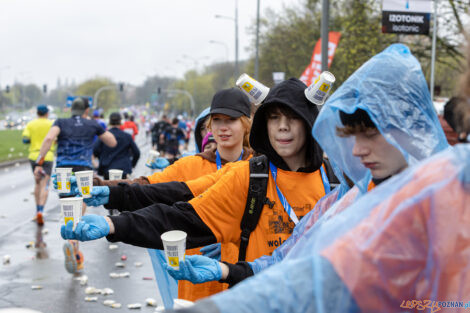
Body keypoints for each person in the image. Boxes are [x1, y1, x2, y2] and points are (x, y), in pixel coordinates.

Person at [157, 43, 454, 313]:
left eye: (370, 134)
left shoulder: (449, 202)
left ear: (408, 130)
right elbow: (288, 263)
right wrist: (224, 272)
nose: (358, 150)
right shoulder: (346, 199)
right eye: (351, 136)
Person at [60, 78, 330, 299]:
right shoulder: (249, 176)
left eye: (292, 117)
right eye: (274, 117)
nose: (283, 126)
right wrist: (112, 220)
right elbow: (178, 204)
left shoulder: (338, 180)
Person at [86, 88, 254, 301]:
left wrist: (231, 239)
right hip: (196, 279)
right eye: (217, 120)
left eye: (231, 120)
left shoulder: (258, 169)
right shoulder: (191, 165)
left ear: (246, 124)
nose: (223, 127)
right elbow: (148, 187)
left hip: (241, 280)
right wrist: (102, 186)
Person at [35, 96, 117, 274]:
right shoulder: (93, 124)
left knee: (68, 209)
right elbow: (112, 142)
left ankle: (74, 247)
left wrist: (40, 160)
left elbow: (49, 139)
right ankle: (74, 246)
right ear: (87, 110)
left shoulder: (61, 122)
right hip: (83, 169)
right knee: (80, 206)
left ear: (71, 109)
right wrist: (96, 131)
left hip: (64, 169)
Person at [22, 105, 55, 225]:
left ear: (37, 113)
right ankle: (41, 210)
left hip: (34, 156)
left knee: (37, 183)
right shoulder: (51, 124)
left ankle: (37, 212)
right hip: (48, 156)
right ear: (47, 113)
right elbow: (55, 139)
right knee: (45, 184)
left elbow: (25, 140)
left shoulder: (31, 124)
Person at [93, 112, 140, 180]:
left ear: (109, 122)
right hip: (123, 170)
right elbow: (137, 153)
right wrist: (131, 165)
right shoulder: (127, 136)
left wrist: (102, 159)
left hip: (107, 170)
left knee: (109, 189)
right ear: (121, 122)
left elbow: (95, 151)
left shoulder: (104, 136)